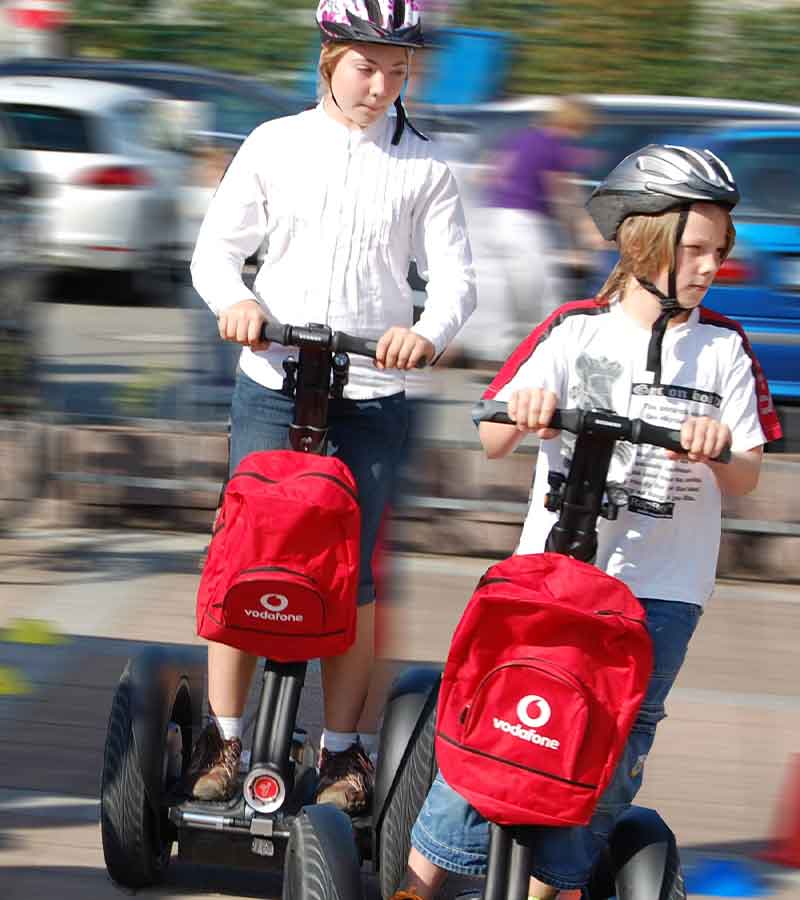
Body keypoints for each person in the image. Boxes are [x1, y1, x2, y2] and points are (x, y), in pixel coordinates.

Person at [389, 144, 783, 900]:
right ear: (645, 245)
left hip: (661, 590)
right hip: (554, 574)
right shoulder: (575, 330)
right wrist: (528, 409)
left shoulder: (725, 350)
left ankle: (553, 889)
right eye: (694, 249)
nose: (709, 266)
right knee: (499, 714)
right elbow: (492, 433)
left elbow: (748, 475)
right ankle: (420, 879)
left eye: (718, 252)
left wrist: (719, 448)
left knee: (611, 741)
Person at [185, 0, 476, 814]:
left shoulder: (426, 167)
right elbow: (217, 249)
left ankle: (345, 751)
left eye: (396, 68)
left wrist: (425, 332)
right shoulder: (275, 143)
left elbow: (454, 280)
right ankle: (225, 736)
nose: (381, 84)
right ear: (328, 57)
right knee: (245, 555)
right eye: (365, 65)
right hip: (275, 380)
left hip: (373, 392)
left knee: (356, 581)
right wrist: (235, 303)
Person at [456, 96, 602, 366]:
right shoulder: (553, 147)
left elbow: (486, 175)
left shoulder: (520, 138)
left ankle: (496, 351)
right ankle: (544, 352)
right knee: (540, 288)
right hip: (522, 223)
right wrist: (581, 234)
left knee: (503, 289)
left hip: (490, 219)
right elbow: (563, 195)